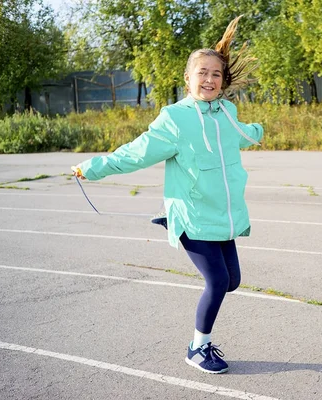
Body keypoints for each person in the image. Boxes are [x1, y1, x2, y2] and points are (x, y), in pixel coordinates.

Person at [72, 16, 263, 373]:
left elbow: (237, 135)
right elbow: (136, 152)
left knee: (232, 281)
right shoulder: (174, 119)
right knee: (218, 281)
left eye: (216, 74)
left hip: (223, 215)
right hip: (192, 214)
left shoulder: (228, 113)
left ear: (224, 81)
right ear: (188, 78)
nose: (209, 79)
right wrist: (93, 167)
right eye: (202, 73)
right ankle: (197, 347)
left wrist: (257, 130)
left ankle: (200, 342)